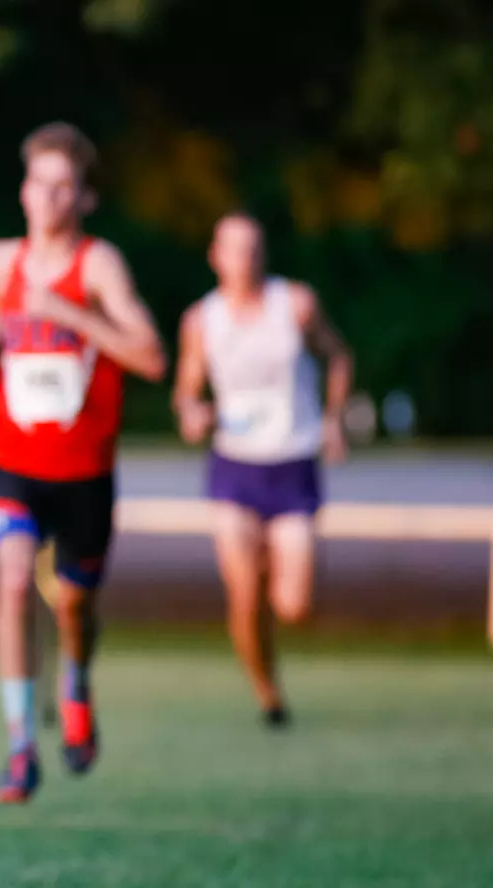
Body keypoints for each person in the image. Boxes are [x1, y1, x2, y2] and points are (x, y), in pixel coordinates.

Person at [0, 122, 166, 804]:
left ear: (83, 199)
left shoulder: (99, 266)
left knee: (73, 605)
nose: (46, 198)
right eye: (36, 184)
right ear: (22, 192)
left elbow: (149, 357)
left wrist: (72, 316)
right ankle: (20, 747)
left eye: (62, 187)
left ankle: (76, 678)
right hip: (14, 460)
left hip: (83, 472)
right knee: (14, 583)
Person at [173, 212, 353, 726]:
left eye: (252, 248)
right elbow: (187, 391)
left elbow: (338, 356)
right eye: (233, 249)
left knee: (293, 605)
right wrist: (192, 414)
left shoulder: (295, 305)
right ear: (215, 256)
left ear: (264, 254)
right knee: (245, 594)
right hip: (234, 469)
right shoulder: (201, 320)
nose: (243, 259)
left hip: (293, 464)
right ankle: (267, 692)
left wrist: (335, 419)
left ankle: (277, 588)